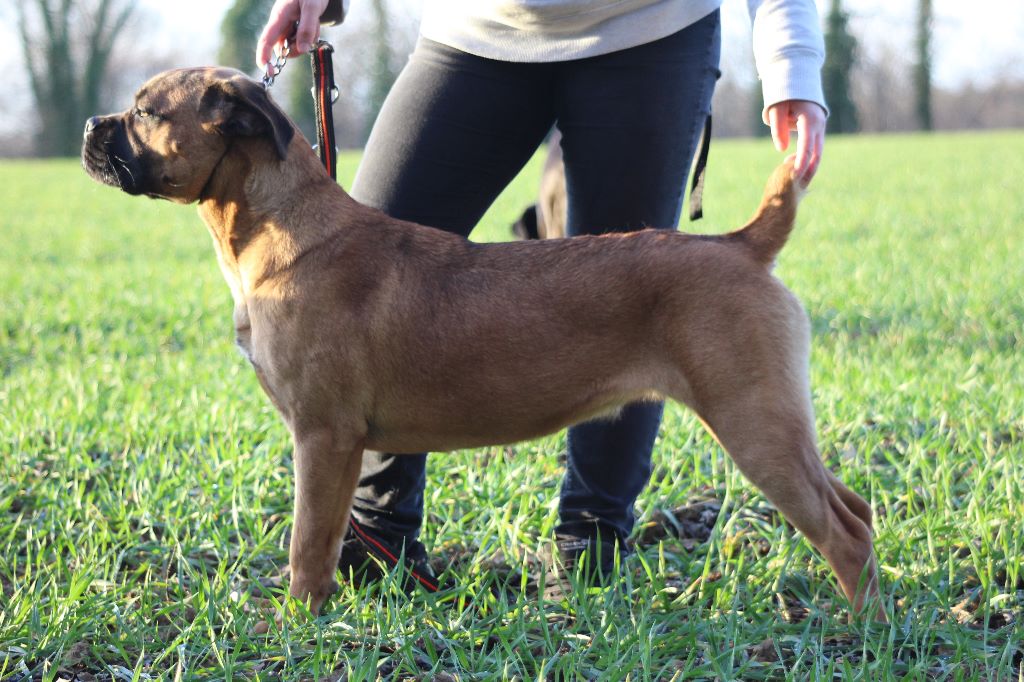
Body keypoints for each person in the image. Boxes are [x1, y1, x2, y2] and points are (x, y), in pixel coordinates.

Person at [256, 0, 827, 592]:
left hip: (648, 34)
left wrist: (792, 64)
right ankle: (377, 538)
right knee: (364, 268)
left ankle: (591, 545)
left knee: (634, 302)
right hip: (476, 31)